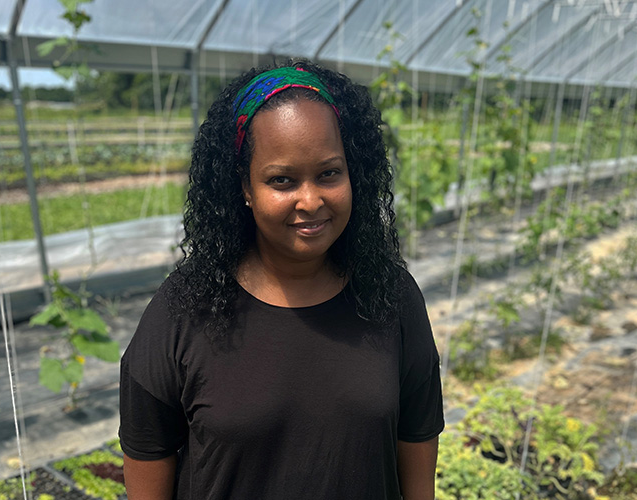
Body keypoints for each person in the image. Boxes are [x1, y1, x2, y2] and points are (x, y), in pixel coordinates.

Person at [119, 59, 444, 500]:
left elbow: (417, 445)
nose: (310, 201)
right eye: (282, 180)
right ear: (246, 189)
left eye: (330, 173)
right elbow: (148, 457)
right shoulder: (182, 311)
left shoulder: (391, 297)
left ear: (354, 174)